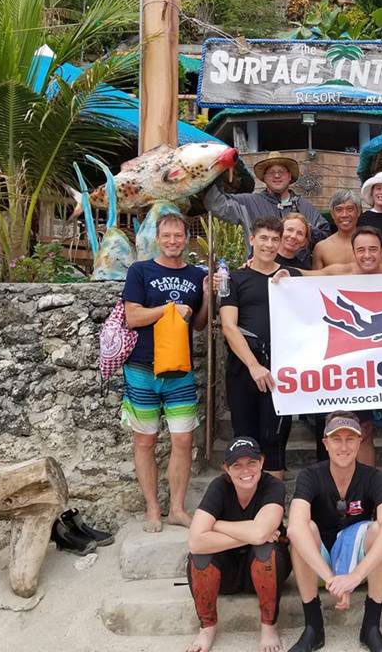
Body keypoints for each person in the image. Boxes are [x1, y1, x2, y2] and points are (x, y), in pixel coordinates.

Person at [274, 227, 382, 468]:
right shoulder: (341, 272)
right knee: (362, 431)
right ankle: (368, 486)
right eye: (361, 250)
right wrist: (284, 272)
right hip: (356, 372)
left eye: (373, 249)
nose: (367, 255)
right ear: (353, 251)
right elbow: (307, 275)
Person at [122, 212, 209, 532]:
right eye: (167, 235)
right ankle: (152, 509)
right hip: (141, 368)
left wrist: (207, 296)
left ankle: (177, 509)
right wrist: (169, 310)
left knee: (183, 439)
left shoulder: (196, 275)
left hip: (179, 370)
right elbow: (133, 317)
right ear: (157, 239)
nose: (173, 241)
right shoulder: (140, 271)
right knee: (145, 441)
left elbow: (198, 324)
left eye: (178, 235)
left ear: (186, 238)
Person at [287, 412, 382, 652]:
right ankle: (313, 627)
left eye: (350, 439)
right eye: (336, 439)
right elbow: (295, 528)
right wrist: (332, 579)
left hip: (357, 563)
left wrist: (355, 577)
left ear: (360, 442)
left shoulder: (373, 476)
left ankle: (371, 627)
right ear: (325, 443)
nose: (343, 446)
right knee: (305, 529)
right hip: (319, 564)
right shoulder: (310, 475)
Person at [186, 436, 290, 652]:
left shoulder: (273, 486)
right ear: (226, 469)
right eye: (237, 465)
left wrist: (217, 525)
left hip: (263, 570)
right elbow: (195, 542)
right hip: (227, 572)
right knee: (200, 557)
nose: (246, 471)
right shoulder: (219, 487)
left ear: (261, 462)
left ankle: (269, 626)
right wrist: (252, 534)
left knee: (266, 549)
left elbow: (261, 534)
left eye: (252, 462)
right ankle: (207, 627)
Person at [220, 217, 303, 480]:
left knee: (274, 441)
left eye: (275, 239)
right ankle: (247, 499)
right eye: (263, 238)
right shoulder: (235, 278)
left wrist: (291, 281)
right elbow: (229, 326)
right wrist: (253, 365)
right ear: (252, 239)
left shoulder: (292, 277)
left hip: (281, 371)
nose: (269, 244)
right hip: (243, 369)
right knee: (244, 441)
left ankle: (273, 502)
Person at [204, 151, 330, 266]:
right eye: (271, 172)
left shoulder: (305, 206)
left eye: (281, 172)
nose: (277, 175)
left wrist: (303, 230)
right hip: (260, 273)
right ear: (264, 178)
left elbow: (325, 235)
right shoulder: (247, 202)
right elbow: (216, 204)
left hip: (297, 275)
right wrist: (213, 171)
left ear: (289, 176)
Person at [313, 190, 361, 269]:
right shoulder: (321, 248)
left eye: (350, 209)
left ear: (358, 212)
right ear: (332, 214)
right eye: (339, 210)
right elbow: (316, 276)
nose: (344, 215)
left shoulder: (373, 244)